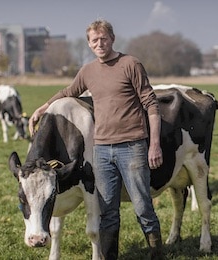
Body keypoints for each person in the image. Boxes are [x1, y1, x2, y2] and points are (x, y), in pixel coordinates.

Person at [28, 19, 165, 260]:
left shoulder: (130, 64)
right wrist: (42, 108)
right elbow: (68, 92)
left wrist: (154, 144)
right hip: (101, 150)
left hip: (132, 146)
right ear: (89, 44)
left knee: (143, 206)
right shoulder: (88, 71)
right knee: (107, 210)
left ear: (112, 39)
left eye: (103, 38)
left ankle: (156, 254)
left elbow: (151, 105)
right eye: (94, 40)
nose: (99, 43)